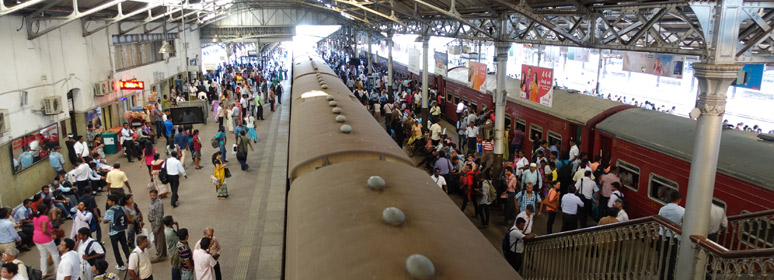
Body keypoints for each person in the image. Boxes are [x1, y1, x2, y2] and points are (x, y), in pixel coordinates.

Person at [657, 191, 684, 280]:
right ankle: (669, 276)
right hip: (674, 237)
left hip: (663, 235)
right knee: (672, 257)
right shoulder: (682, 210)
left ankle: (660, 275)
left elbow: (659, 221)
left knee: (661, 256)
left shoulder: (662, 209)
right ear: (679, 200)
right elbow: (684, 223)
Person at [103, 195, 130, 271]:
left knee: (116, 249)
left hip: (113, 232)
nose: (108, 202)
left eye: (109, 201)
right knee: (124, 246)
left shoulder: (110, 211)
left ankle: (120, 264)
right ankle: (129, 260)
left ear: (113, 202)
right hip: (121, 230)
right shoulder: (121, 208)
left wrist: (109, 220)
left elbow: (105, 221)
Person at [32, 204, 59, 278]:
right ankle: (58, 270)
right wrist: (51, 235)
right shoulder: (45, 218)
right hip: (45, 239)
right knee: (54, 253)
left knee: (43, 256)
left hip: (36, 238)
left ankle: (43, 273)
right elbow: (44, 230)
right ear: (45, 210)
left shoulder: (35, 217)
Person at [147, 190, 166, 262]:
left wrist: (157, 227)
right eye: (151, 195)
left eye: (153, 195)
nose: (152, 197)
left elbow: (159, 216)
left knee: (158, 240)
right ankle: (163, 253)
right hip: (153, 222)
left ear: (157, 195)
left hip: (157, 223)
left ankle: (160, 256)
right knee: (160, 238)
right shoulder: (152, 202)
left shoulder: (158, 204)